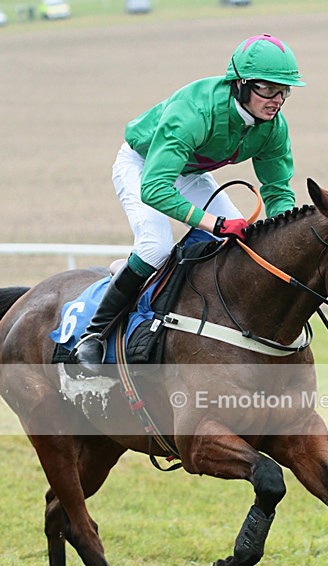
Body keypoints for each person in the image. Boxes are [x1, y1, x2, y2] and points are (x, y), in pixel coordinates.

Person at [72, 33, 306, 371]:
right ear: (239, 84)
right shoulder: (195, 112)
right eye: (268, 89)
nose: (277, 100)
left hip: (190, 172)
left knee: (245, 244)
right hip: (143, 166)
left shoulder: (273, 127)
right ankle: (93, 335)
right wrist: (214, 224)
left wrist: (287, 246)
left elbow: (277, 190)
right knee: (156, 246)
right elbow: (154, 188)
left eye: (284, 91)